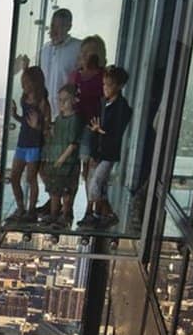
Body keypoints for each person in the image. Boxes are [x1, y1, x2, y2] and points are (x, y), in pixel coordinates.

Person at [84, 64, 132, 228]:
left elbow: (116, 132)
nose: (105, 88)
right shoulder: (104, 103)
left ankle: (109, 214)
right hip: (99, 152)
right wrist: (93, 152)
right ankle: (102, 215)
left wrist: (100, 130)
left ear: (119, 86)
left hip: (109, 153)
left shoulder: (123, 108)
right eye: (104, 84)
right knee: (100, 186)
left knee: (95, 185)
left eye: (109, 85)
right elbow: (94, 128)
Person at [8, 64, 50, 221]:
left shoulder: (42, 103)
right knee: (14, 177)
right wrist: (15, 116)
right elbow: (26, 121)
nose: (23, 86)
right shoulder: (24, 99)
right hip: (22, 143)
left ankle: (31, 211)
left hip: (35, 146)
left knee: (31, 179)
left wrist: (36, 126)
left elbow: (47, 128)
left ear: (35, 83)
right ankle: (20, 208)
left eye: (26, 83)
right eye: (22, 83)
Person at [17, 8, 82, 108]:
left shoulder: (78, 48)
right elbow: (36, 77)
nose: (54, 30)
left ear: (68, 27)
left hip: (67, 112)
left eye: (59, 26)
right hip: (44, 111)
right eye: (53, 25)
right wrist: (25, 68)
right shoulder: (45, 49)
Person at [42, 82, 84, 225]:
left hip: (68, 162)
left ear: (73, 100)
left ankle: (65, 216)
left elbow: (73, 144)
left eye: (65, 100)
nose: (61, 103)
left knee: (67, 193)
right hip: (55, 160)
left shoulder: (75, 120)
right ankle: (53, 215)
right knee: (54, 192)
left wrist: (61, 159)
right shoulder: (59, 119)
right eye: (59, 100)